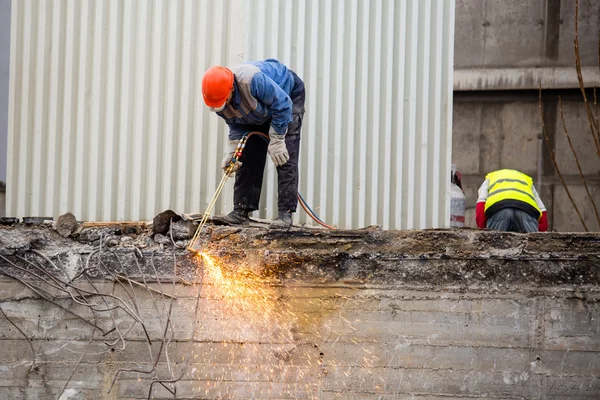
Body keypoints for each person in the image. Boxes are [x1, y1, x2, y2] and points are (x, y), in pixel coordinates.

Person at [201, 59, 305, 229]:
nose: (221, 107)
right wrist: (232, 152)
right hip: (259, 107)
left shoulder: (251, 80)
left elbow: (283, 104)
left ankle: (285, 214)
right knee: (248, 151)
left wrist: (277, 139)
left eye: (223, 101)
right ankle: (241, 211)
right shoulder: (218, 100)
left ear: (231, 88)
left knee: (283, 153)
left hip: (287, 95)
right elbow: (236, 123)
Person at [476, 169, 548, 232]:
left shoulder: (490, 178)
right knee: (532, 246)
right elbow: (543, 213)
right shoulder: (526, 180)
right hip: (526, 212)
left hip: (500, 212)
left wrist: (483, 231)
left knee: (494, 244)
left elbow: (480, 206)